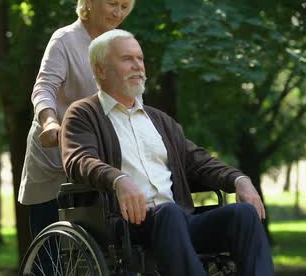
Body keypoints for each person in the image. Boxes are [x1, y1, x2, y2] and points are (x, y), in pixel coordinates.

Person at [60, 29, 274, 276]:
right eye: (127, 59)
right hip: (128, 225)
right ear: (100, 70)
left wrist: (240, 179)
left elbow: (199, 162)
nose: (138, 66)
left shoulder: (159, 120)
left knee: (243, 214)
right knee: (169, 212)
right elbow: (79, 160)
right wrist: (118, 179)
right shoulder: (83, 114)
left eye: (140, 59)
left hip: (179, 221)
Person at [18, 0, 136, 240]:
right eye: (112, 4)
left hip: (96, 154)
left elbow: (131, 96)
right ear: (90, 0)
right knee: (53, 245)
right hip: (55, 151)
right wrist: (49, 121)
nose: (118, 13)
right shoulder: (65, 40)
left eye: (124, 6)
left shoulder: (119, 44)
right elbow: (44, 87)